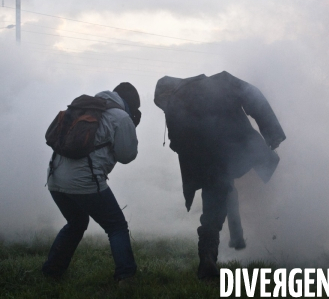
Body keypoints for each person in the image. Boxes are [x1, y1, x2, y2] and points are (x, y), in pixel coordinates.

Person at [154, 71, 286, 279]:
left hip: (208, 162)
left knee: (214, 206)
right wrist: (273, 133)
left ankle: (208, 255)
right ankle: (289, 227)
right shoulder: (220, 81)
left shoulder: (175, 103)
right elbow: (253, 96)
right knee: (268, 181)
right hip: (235, 151)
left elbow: (176, 142)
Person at [42, 82, 141, 283]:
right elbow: (127, 155)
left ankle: (52, 272)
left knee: (77, 222)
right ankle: (126, 276)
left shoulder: (85, 108)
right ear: (129, 105)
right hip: (84, 182)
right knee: (117, 227)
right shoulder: (121, 117)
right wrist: (130, 128)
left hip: (54, 178)